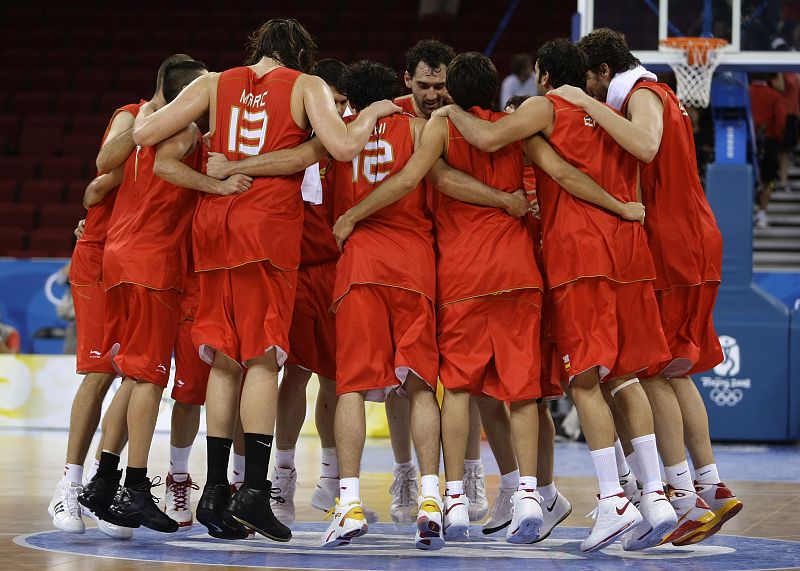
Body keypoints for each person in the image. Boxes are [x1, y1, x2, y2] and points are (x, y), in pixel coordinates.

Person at [133, 18, 399, 542]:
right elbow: (343, 148)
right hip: (268, 231)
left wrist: (213, 167)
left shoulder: (213, 82)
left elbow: (145, 135)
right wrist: (370, 113)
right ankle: (253, 491)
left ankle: (215, 492)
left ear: (257, 48)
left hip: (215, 226)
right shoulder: (306, 86)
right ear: (299, 54)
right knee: (261, 357)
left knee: (223, 358)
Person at [434, 40, 676, 552]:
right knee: (626, 374)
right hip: (626, 252)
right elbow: (638, 151)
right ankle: (654, 494)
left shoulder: (545, 108)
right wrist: (626, 207)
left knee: (584, 381)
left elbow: (500, 140)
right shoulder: (612, 109)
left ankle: (612, 499)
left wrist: (447, 105)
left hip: (579, 253)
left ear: (542, 75)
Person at [553, 26, 742, 544]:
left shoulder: (642, 95)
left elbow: (645, 142)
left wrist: (571, 98)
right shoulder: (659, 92)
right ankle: (710, 484)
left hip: (672, 246)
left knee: (651, 370)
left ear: (603, 72)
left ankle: (680, 498)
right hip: (694, 240)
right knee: (678, 371)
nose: (586, 92)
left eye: (587, 82)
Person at [51, 54, 194, 539]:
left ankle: (104, 482)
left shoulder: (181, 129)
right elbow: (99, 179)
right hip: (105, 253)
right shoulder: (133, 116)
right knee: (101, 372)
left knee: (134, 371)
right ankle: (69, 485)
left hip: (127, 248)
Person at [390, 38, 498, 526]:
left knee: (461, 378)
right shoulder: (385, 117)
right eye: (426, 84)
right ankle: (405, 474)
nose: (434, 93)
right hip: (404, 259)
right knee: (402, 378)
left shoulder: (462, 118)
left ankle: (470, 473)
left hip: (454, 257)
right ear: (407, 79)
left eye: (441, 85)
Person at [750, 73, 788, 227]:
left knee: (750, 179)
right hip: (769, 141)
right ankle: (762, 213)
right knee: (769, 181)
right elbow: (780, 121)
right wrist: (778, 138)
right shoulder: (774, 96)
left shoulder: (745, 92)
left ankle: (747, 211)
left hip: (747, 142)